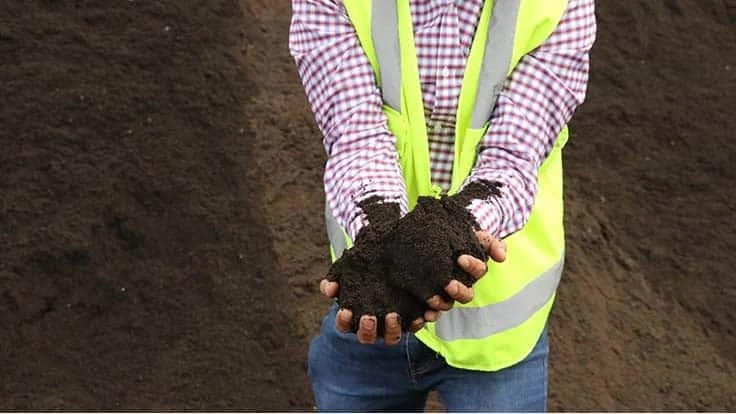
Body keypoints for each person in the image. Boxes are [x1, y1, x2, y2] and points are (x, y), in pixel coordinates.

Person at [289, 0, 596, 411]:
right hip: (372, 302)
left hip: (496, 334)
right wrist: (384, 244)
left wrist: (453, 241)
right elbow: (356, 137)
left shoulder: (559, 5)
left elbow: (513, 153)